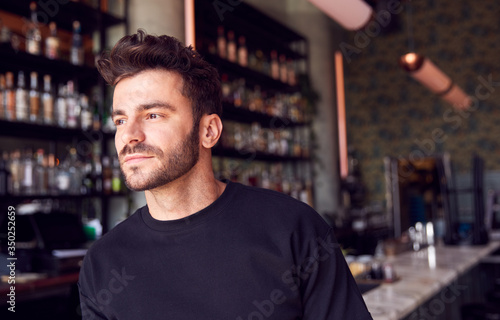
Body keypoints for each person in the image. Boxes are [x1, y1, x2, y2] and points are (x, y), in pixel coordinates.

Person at [78, 30, 372, 320]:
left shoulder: (294, 229)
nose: (129, 135)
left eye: (153, 115)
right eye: (120, 119)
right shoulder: (103, 262)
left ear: (209, 131)